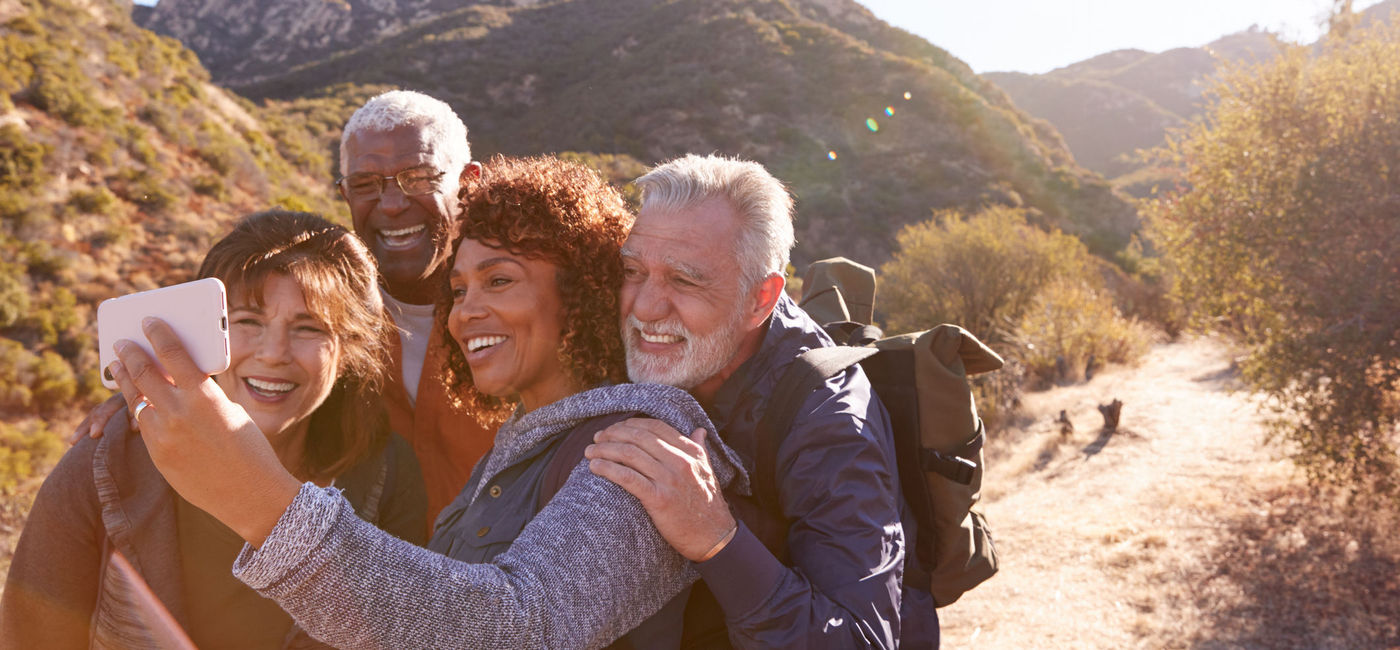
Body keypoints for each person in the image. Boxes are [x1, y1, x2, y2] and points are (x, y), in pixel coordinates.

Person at [101, 156, 748, 649]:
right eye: (458, 290)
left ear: (583, 288)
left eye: (499, 280)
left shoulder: (645, 437)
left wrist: (265, 505)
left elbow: (520, 627)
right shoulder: (531, 444)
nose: (468, 312)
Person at [1, 210, 427, 649]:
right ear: (204, 335)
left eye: (308, 328)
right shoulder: (107, 462)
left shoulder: (385, 477)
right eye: (247, 322)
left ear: (349, 352)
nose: (274, 353)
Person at [73, 90, 493, 527]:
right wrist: (143, 402)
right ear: (345, 194)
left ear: (469, 183)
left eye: (419, 178)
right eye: (366, 185)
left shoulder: (523, 314)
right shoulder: (321, 313)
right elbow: (226, 378)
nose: (391, 203)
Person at [585, 153, 938, 648]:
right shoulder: (672, 347)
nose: (644, 306)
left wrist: (717, 540)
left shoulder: (831, 425)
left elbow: (864, 637)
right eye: (632, 270)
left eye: (685, 280)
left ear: (760, 299)